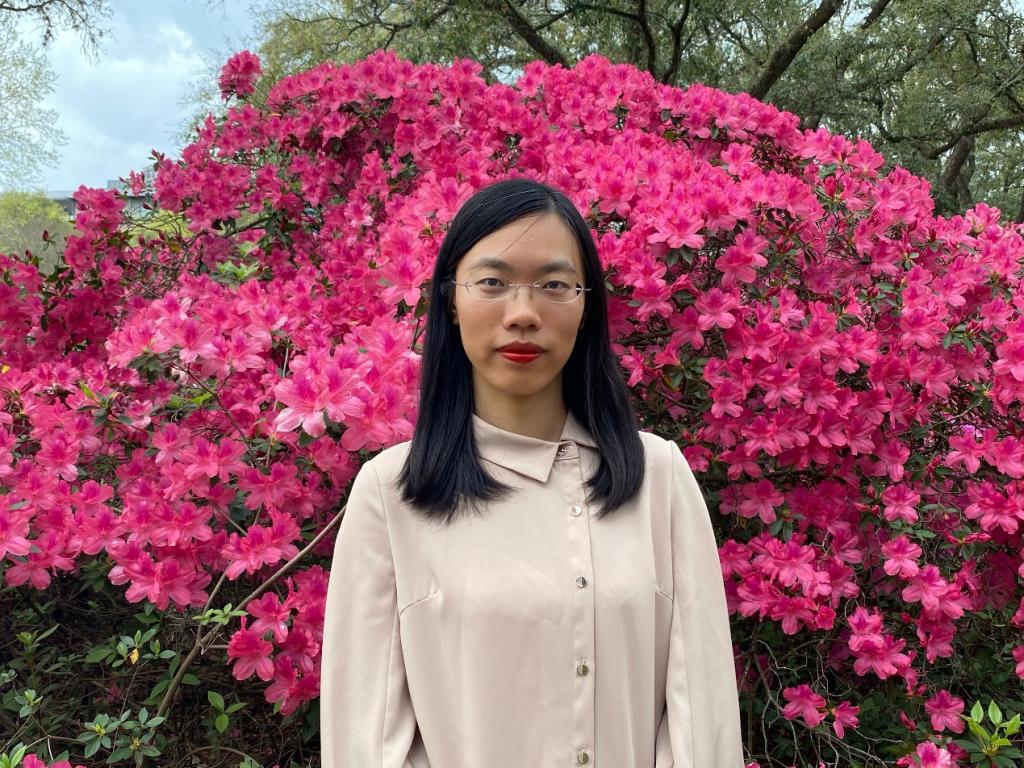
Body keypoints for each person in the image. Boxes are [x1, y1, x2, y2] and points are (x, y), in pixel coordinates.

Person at [320, 178, 744, 767]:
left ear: (586, 305)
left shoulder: (659, 479)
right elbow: (366, 741)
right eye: (493, 282)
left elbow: (702, 716)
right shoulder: (392, 494)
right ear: (451, 300)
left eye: (553, 285)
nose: (523, 314)